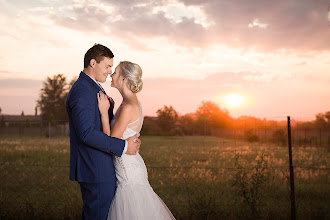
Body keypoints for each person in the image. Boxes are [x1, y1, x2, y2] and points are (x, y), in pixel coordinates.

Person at [66, 44, 141, 220]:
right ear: (93, 63)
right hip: (94, 167)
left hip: (101, 166)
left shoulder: (93, 87)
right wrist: (123, 145)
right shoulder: (82, 91)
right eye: (107, 66)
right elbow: (86, 133)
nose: (109, 71)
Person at [97, 61, 175, 219]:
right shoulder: (130, 102)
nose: (112, 74)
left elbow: (110, 142)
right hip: (130, 165)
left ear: (124, 79)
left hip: (128, 174)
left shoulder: (128, 107)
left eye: (116, 72)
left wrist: (104, 113)